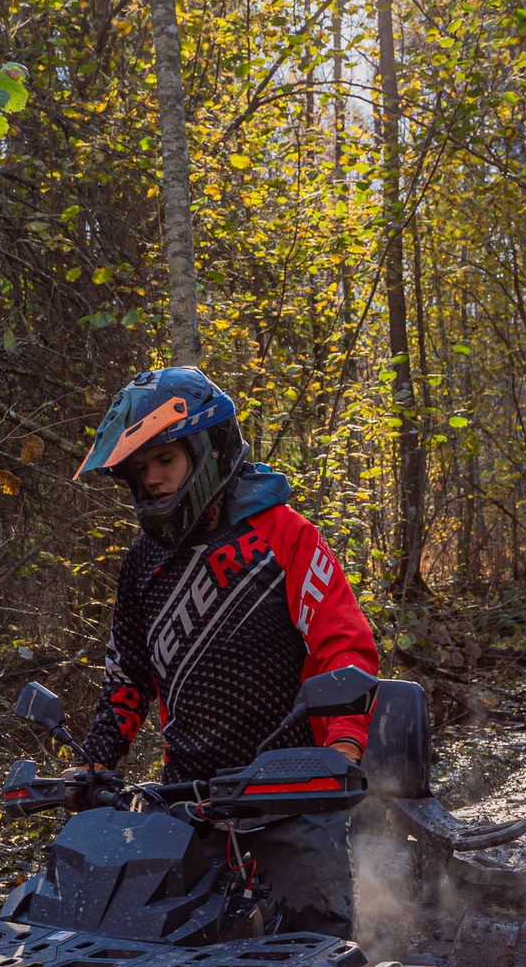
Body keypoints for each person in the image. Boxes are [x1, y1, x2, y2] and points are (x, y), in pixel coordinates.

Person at [72, 366, 379, 938]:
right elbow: (128, 676)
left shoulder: (282, 533)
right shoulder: (142, 562)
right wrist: (96, 761)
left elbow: (343, 646)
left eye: (165, 460)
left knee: (313, 952)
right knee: (145, 951)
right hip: (185, 800)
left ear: (208, 448)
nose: (153, 479)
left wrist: (342, 744)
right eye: (140, 468)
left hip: (292, 790)